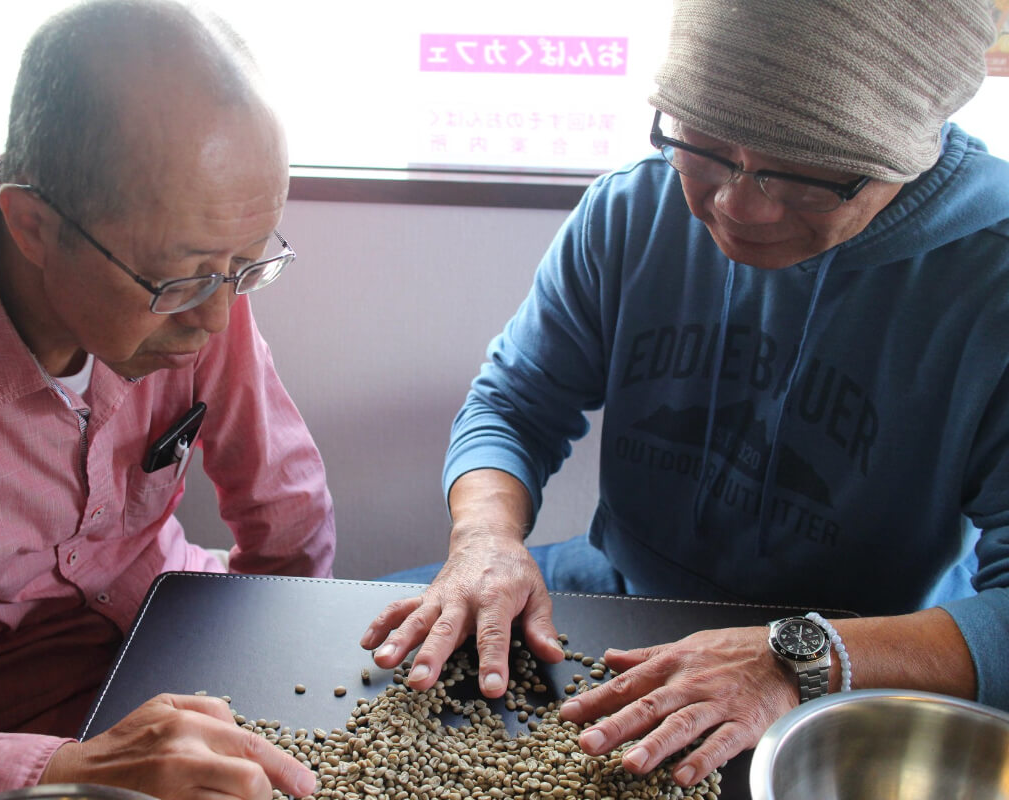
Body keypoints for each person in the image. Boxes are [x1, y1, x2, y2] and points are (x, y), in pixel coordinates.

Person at [363, 0, 1009, 789]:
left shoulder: (992, 284)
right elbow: (513, 403)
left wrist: (799, 657)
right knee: (359, 647)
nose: (738, 204)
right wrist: (487, 539)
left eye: (800, 177)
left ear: (904, 151)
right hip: (621, 586)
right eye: (702, 147)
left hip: (861, 652)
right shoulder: (634, 208)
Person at [0, 1, 332, 798]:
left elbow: (285, 513)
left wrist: (291, 692)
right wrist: (66, 772)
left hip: (177, 631)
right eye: (184, 280)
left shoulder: (198, 273)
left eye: (249, 266)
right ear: (32, 226)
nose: (217, 317)